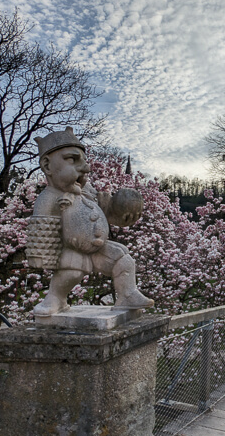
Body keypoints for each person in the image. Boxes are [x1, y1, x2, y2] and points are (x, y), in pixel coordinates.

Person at [28, 128, 153, 316]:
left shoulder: (87, 190)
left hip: (98, 249)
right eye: (72, 160)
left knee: (123, 258)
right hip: (71, 249)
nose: (85, 168)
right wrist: (47, 256)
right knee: (71, 272)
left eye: (84, 161)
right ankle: (56, 299)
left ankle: (127, 294)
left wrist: (124, 208)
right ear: (47, 166)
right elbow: (42, 232)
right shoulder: (49, 198)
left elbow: (107, 210)